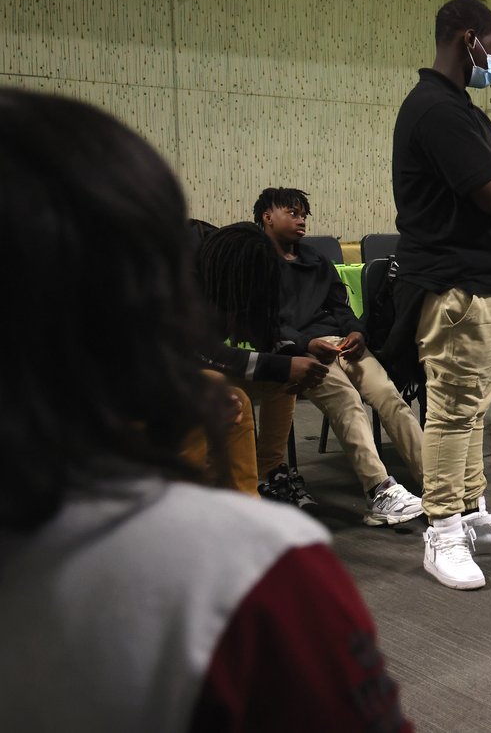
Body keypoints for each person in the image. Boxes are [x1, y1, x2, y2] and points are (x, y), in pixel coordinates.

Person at [0, 87, 410, 731]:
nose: (302, 221)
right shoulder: (256, 570)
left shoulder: (290, 265)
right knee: (230, 399)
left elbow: (259, 337)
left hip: (321, 360)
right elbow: (209, 348)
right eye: (292, 211)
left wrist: (306, 352)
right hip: (250, 468)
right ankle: (277, 484)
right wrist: (283, 360)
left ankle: (321, 478)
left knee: (347, 390)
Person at [392, 0, 491, 590]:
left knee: (473, 409)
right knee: (451, 411)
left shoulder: (463, 109)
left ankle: (471, 515)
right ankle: (442, 529)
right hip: (457, 287)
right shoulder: (434, 110)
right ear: (469, 39)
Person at [256, 188, 425, 525]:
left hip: (343, 344)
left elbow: (339, 307)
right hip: (300, 352)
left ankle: (434, 480)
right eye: (291, 212)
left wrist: (356, 332)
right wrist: (306, 342)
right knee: (347, 401)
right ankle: (379, 488)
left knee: (390, 397)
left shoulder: (315, 260)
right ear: (266, 217)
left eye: (303, 213)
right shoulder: (256, 264)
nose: (301, 219)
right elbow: (265, 323)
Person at [192, 221, 330, 504]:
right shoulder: (179, 276)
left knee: (279, 381)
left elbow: (261, 322)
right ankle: (204, 499)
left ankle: (270, 474)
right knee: (228, 395)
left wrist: (291, 358)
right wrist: (282, 365)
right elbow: (194, 348)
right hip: (147, 371)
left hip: (188, 363)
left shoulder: (236, 260)